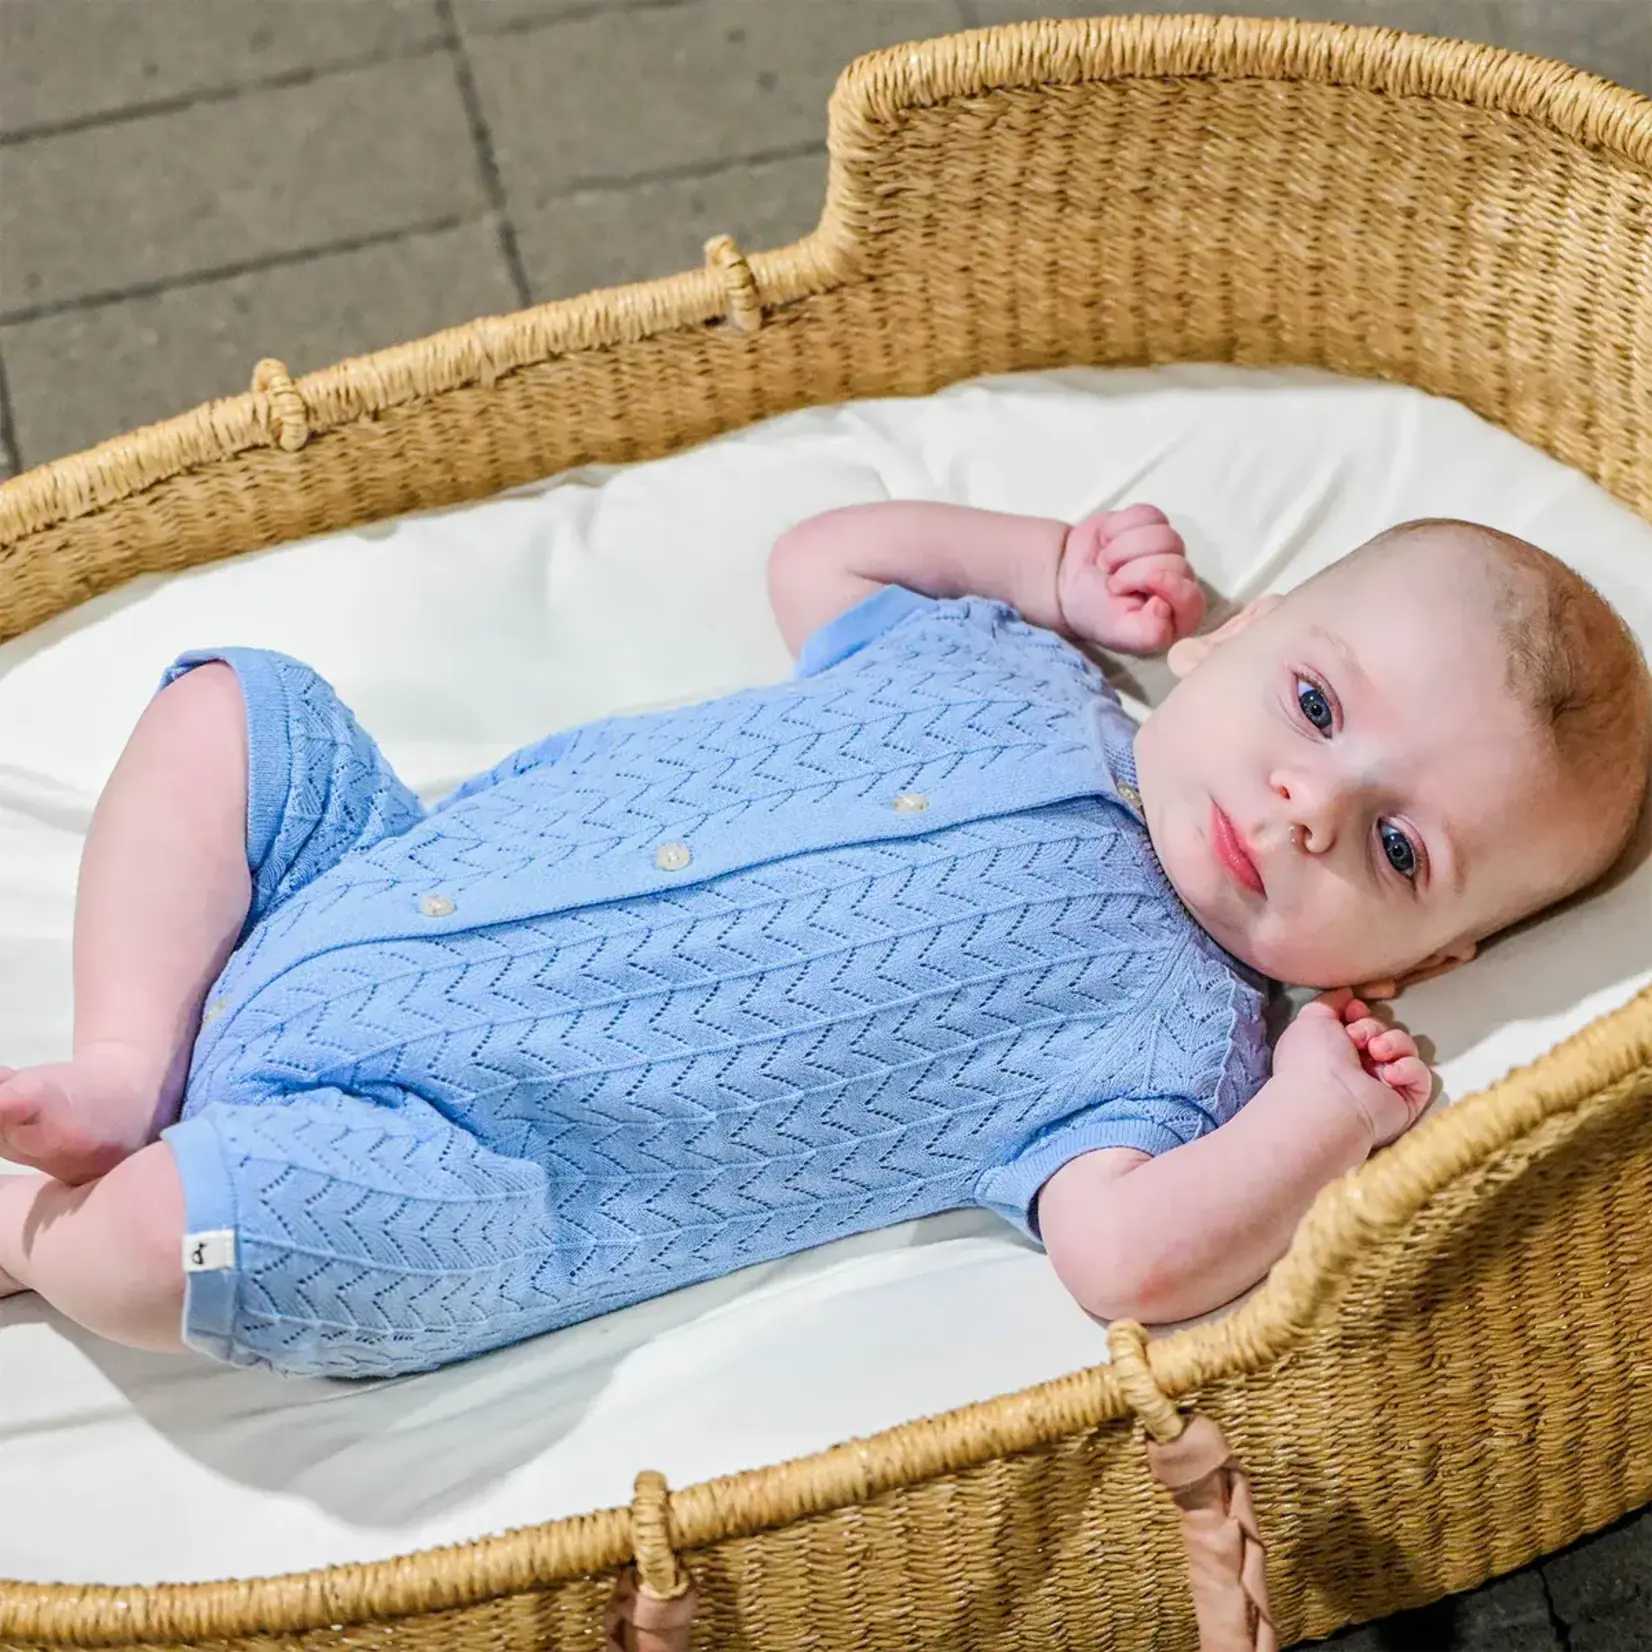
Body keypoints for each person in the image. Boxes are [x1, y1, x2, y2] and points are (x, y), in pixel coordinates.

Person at [0, 501, 1645, 1377]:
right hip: (354, 879)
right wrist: (1053, 567)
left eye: (1398, 847)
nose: (1304, 805)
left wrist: (1312, 1114)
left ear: (1425, 965)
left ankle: (45, 1237)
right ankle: (128, 1059)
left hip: (460, 1173)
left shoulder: (1178, 1047)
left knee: (191, 1241)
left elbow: (1126, 1262)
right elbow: (823, 555)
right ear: (1252, 623)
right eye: (1314, 704)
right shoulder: (1003, 661)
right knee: (235, 710)